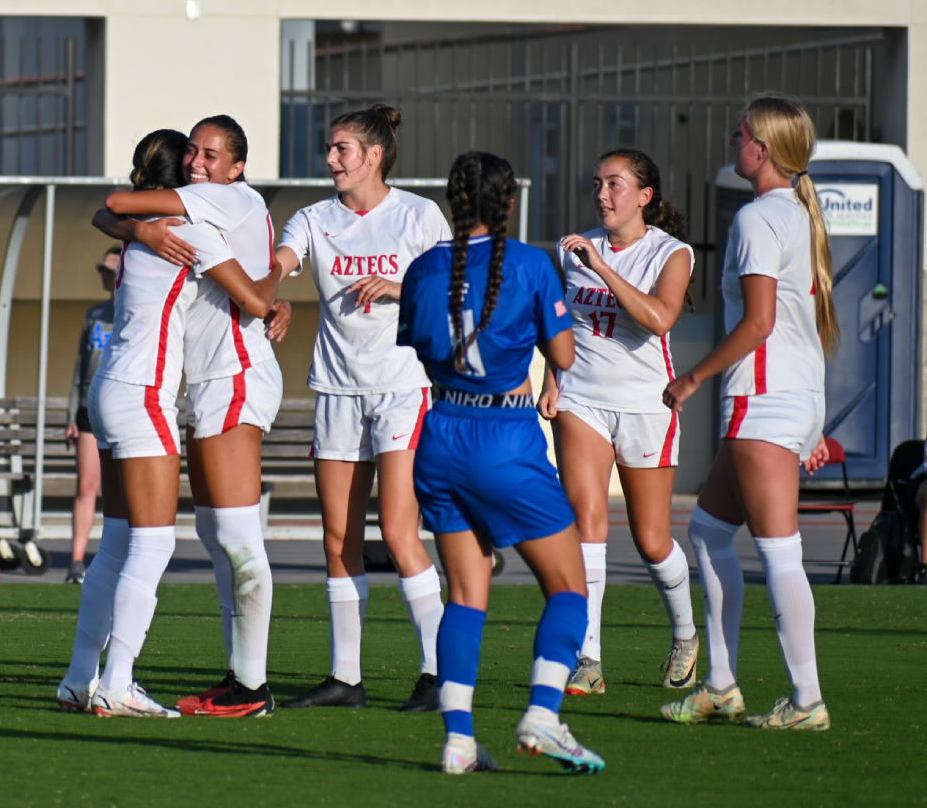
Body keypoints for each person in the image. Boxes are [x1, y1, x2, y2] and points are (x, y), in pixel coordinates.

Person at [55, 128, 280, 718]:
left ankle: (81, 678)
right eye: (192, 161)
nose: (199, 171)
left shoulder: (139, 236)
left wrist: (139, 226)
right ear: (179, 180)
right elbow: (254, 302)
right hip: (145, 394)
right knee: (155, 543)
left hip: (110, 388)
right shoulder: (192, 228)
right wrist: (276, 292)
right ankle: (118, 683)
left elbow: (111, 213)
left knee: (118, 544)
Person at [398, 150, 604, 775]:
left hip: (439, 437)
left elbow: (423, 348)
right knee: (569, 588)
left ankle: (458, 740)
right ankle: (543, 715)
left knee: (465, 593)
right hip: (503, 439)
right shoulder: (528, 264)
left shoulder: (423, 269)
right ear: (507, 203)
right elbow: (564, 357)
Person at [660, 95, 837, 731]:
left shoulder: (759, 217)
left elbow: (760, 323)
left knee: (778, 550)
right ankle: (721, 686)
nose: (733, 142)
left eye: (740, 135)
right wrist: (809, 422)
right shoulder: (795, 213)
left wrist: (693, 377)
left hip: (763, 401)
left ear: (762, 150)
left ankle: (808, 700)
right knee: (707, 532)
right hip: (787, 397)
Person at [271, 105, 449, 711]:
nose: (331, 160)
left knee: (400, 533)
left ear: (374, 156)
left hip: (403, 387)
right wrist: (269, 294)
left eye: (342, 149)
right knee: (338, 537)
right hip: (337, 389)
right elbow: (280, 264)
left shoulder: (419, 215)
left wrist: (403, 287)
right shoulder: (313, 218)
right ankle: (346, 678)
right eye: (330, 148)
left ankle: (436, 672)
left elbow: (460, 287)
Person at [537, 149, 698, 696]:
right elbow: (561, 322)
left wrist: (602, 268)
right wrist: (553, 380)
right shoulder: (573, 249)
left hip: (647, 405)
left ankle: (685, 634)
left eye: (615, 184)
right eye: (597, 184)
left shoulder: (672, 253)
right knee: (587, 526)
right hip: (583, 399)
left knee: (652, 541)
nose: (602, 195)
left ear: (645, 196)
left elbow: (659, 318)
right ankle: (589, 658)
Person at [63, 247, 120, 585]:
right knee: (86, 485)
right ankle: (75, 562)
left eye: (110, 269)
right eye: (102, 269)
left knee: (120, 487)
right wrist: (71, 412)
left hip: (123, 407)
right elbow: (79, 368)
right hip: (88, 407)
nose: (104, 275)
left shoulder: (136, 309)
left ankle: (115, 558)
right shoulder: (94, 313)